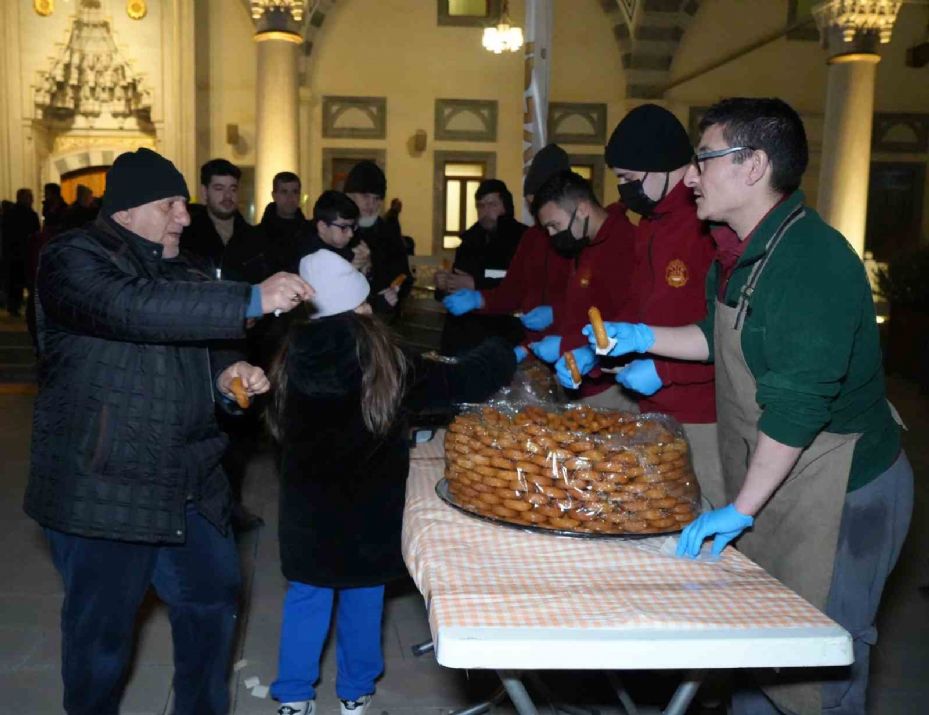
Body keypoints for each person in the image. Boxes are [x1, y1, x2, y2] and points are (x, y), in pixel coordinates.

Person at [585, 98, 913, 715]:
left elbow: (796, 410)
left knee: (822, 660)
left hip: (844, 487)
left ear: (754, 165)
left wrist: (738, 509)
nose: (690, 176)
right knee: (760, 651)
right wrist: (645, 338)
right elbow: (716, 336)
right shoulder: (736, 249)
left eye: (704, 160)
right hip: (783, 475)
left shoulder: (811, 262)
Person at [24, 147, 314, 715]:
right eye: (170, 204)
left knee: (211, 610)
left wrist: (230, 378)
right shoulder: (72, 259)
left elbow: (206, 350)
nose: (185, 216)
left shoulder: (187, 269)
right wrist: (253, 297)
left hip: (189, 483)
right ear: (127, 212)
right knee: (100, 642)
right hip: (104, 488)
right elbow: (133, 308)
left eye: (184, 202)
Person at [267, 249, 517, 715]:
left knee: (307, 597)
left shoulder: (289, 355)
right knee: (364, 597)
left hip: (307, 512)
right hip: (369, 513)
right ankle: (355, 691)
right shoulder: (384, 356)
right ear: (357, 302)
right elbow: (462, 381)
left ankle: (295, 695)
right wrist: (503, 347)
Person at [599, 104, 721, 506]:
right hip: (653, 408)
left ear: (664, 167)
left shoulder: (707, 223)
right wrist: (619, 340)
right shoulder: (650, 224)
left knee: (701, 521)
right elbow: (641, 298)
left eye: (630, 178)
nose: (624, 189)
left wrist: (665, 369)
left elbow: (723, 330)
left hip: (702, 414)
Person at [181, 157, 273, 532]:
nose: (226, 196)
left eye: (233, 188)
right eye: (218, 188)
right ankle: (196, 510)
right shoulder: (186, 235)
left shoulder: (253, 237)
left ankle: (231, 505)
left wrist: (259, 314)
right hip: (198, 348)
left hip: (245, 347)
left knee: (239, 439)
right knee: (200, 431)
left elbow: (267, 288)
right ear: (204, 192)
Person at [441, 145, 574, 350]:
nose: (536, 212)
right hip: (522, 342)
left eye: (492, 204)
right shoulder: (531, 238)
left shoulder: (577, 238)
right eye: (480, 205)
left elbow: (595, 299)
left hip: (562, 339)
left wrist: (557, 313)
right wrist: (477, 299)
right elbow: (512, 289)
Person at [529, 170, 637, 407]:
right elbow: (584, 305)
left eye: (554, 225)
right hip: (578, 381)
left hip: (610, 388)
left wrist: (568, 346)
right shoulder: (584, 243)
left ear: (583, 210)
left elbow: (628, 320)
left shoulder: (623, 245)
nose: (552, 235)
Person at [435, 179, 528, 354]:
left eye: (492, 204)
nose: (485, 211)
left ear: (505, 206)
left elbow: (519, 282)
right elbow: (457, 281)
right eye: (480, 206)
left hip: (502, 333)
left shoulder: (522, 238)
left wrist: (475, 284)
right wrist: (444, 284)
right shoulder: (470, 240)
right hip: (463, 336)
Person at [344, 161, 412, 318]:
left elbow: (403, 275)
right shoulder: (336, 228)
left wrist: (393, 291)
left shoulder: (388, 232)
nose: (371, 204)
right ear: (349, 196)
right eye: (365, 196)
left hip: (379, 320)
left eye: (377, 199)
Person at [260, 171, 309, 273]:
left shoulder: (310, 233)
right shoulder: (258, 235)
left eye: (295, 192)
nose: (290, 198)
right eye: (284, 192)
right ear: (274, 195)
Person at [2, 188, 39, 317]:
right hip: (25, 253)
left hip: (12, 253)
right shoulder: (30, 215)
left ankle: (13, 307)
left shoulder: (8, 214)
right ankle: (29, 308)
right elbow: (35, 234)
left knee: (14, 282)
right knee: (28, 281)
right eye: (30, 197)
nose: (32, 199)